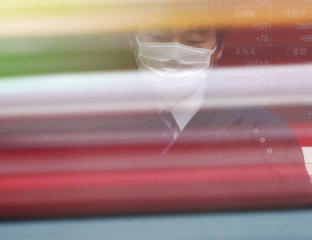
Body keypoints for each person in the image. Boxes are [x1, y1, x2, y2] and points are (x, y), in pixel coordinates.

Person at [131, 27, 312, 209]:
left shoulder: (262, 133)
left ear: (218, 49)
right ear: (133, 40)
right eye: (158, 38)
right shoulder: (106, 126)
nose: (174, 54)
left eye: (193, 41)